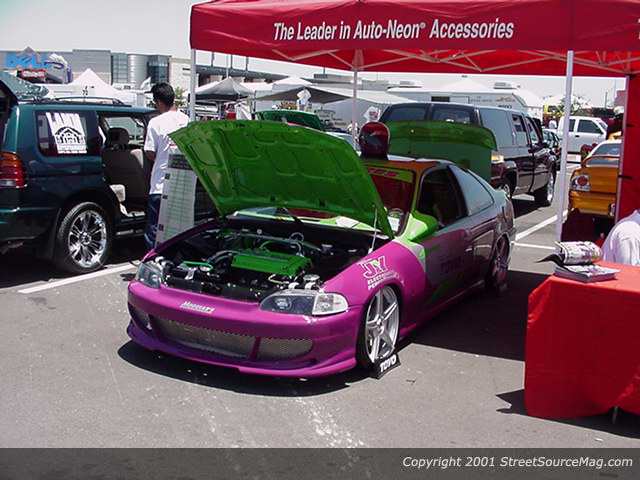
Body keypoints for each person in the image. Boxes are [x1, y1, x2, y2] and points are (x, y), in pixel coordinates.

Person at [143, 82, 189, 249]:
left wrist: (161, 158)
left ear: (159, 102)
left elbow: (149, 152)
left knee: (155, 229)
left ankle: (154, 260)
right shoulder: (186, 120)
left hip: (160, 185)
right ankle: (175, 259)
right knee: (178, 229)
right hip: (182, 185)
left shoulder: (156, 122)